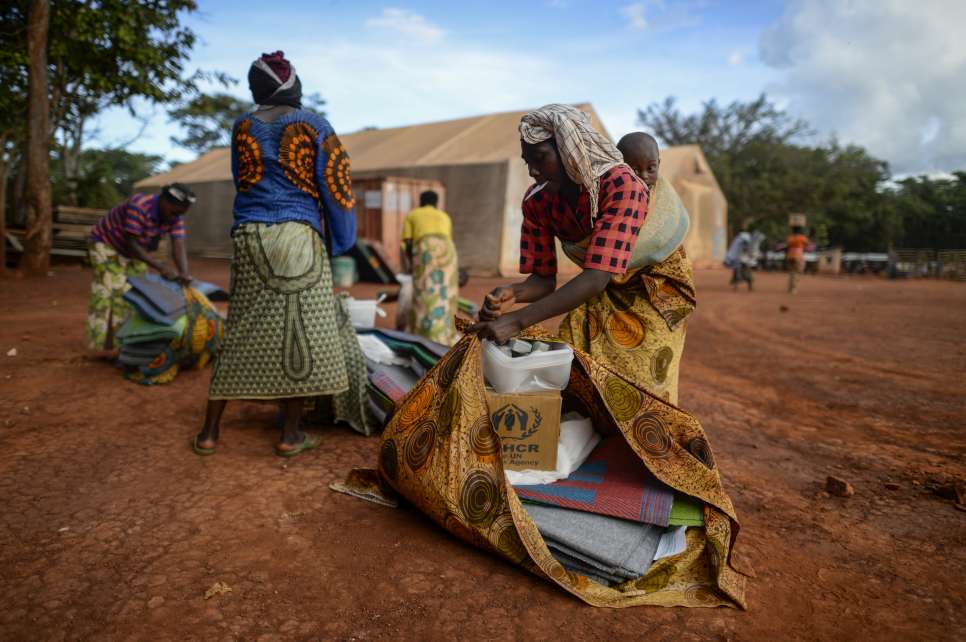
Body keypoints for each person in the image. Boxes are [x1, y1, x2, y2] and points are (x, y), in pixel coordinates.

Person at [194, 51, 361, 457]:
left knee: (239, 332)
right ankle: (290, 435)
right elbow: (337, 187)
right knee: (299, 330)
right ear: (293, 86)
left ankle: (209, 434)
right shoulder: (315, 125)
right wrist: (341, 240)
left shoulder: (243, 126)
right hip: (298, 237)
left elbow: (243, 181)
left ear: (257, 89)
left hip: (249, 236)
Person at [472, 107, 695, 404]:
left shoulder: (621, 186)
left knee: (643, 383)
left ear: (569, 151)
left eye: (541, 160)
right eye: (528, 162)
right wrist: (512, 293)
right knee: (579, 368)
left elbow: (596, 277)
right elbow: (542, 280)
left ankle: (646, 446)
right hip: (600, 286)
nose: (533, 171)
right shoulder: (537, 203)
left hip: (654, 291)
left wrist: (516, 321)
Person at [85, 183, 196, 352]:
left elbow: (178, 243)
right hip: (107, 244)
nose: (176, 217)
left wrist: (184, 273)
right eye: (174, 212)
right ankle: (99, 347)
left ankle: (123, 343)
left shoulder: (175, 216)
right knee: (109, 291)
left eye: (180, 214)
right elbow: (132, 243)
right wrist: (161, 267)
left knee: (135, 293)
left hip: (136, 251)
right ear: (165, 201)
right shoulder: (140, 205)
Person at [400, 190, 459, 345]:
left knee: (424, 290)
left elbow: (407, 243)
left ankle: (424, 333)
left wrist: (410, 265)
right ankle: (445, 335)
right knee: (446, 291)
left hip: (426, 249)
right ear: (436, 203)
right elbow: (447, 240)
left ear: (421, 201)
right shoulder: (445, 216)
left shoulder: (413, 214)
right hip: (448, 251)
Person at [724, 220, 759, 291]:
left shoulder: (740, 238)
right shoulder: (742, 238)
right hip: (741, 259)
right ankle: (739, 287)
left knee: (742, 273)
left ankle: (745, 287)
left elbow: (736, 249)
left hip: (742, 259)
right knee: (740, 273)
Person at [786, 225, 810, 293]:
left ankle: (791, 288)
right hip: (798, 256)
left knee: (792, 272)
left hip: (790, 255)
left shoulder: (790, 238)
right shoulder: (802, 237)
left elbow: (788, 245)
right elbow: (807, 244)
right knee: (798, 272)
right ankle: (793, 288)